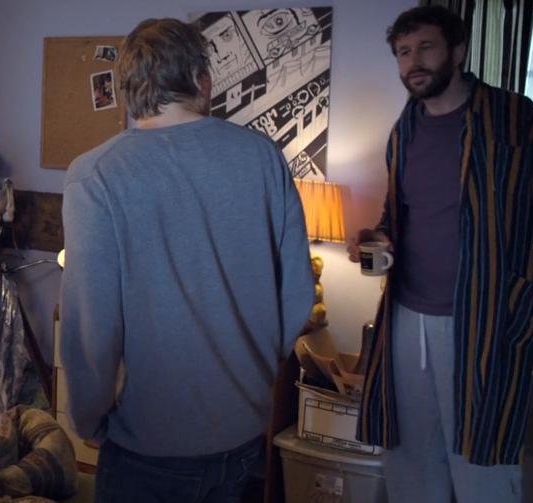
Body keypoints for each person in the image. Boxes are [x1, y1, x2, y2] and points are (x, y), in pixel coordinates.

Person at [59, 17, 314, 503]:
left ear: (127, 88)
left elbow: (92, 324)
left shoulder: (95, 175)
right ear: (201, 78)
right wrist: (252, 374)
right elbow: (298, 294)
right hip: (244, 433)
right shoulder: (262, 156)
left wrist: (87, 417)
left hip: (148, 445)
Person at [348, 6, 533, 502]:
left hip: (488, 322)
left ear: (457, 51)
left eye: (426, 48)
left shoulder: (514, 117)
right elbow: (397, 215)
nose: (413, 62)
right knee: (411, 462)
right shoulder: (404, 130)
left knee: (484, 463)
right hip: (406, 320)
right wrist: (375, 239)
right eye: (403, 52)